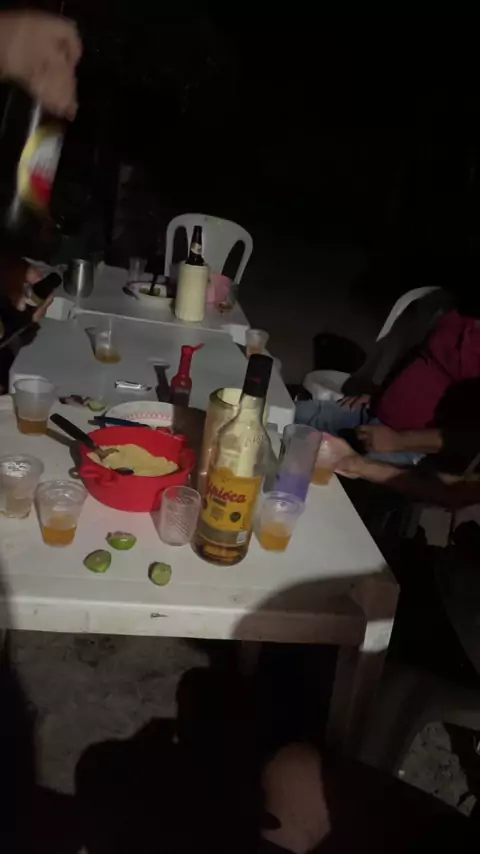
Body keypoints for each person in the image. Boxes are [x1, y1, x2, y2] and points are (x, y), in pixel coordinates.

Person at [296, 294, 480, 465]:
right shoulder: (460, 311)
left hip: (409, 448)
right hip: (370, 412)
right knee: (290, 415)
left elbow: (468, 438)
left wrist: (399, 440)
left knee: (322, 469)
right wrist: (381, 392)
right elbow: (418, 357)